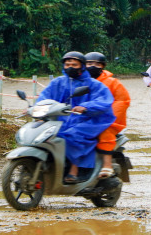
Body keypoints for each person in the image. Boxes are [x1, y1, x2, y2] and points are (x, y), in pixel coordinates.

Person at [36, 51, 115, 184]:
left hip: (91, 119)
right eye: (67, 64)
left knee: (72, 135)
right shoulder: (58, 82)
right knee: (48, 135)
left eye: (74, 64)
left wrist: (86, 107)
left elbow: (104, 100)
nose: (70, 67)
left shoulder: (93, 84)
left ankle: (74, 169)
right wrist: (36, 109)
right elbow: (44, 97)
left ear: (82, 66)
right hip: (63, 118)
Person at [85, 51, 131, 179]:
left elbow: (122, 101)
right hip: (84, 118)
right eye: (89, 63)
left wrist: (107, 116)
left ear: (102, 66)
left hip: (108, 120)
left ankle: (107, 165)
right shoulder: (81, 81)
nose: (92, 66)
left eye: (96, 64)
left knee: (104, 132)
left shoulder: (112, 82)